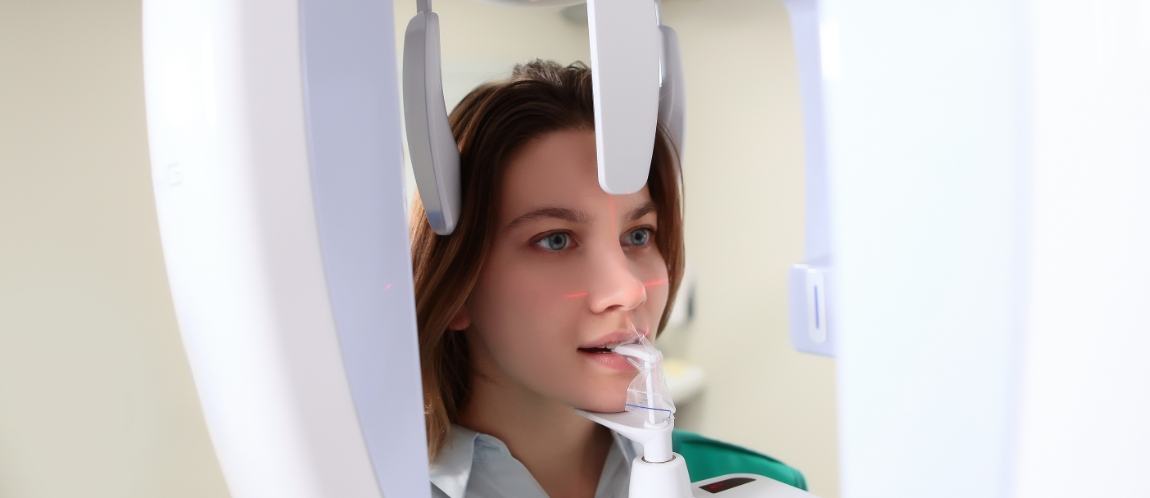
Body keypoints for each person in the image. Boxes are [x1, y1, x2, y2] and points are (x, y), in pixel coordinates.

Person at [409, 60, 803, 498]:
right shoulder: (364, 481)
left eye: (638, 235)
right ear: (458, 289)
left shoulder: (760, 484)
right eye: (556, 240)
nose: (629, 290)